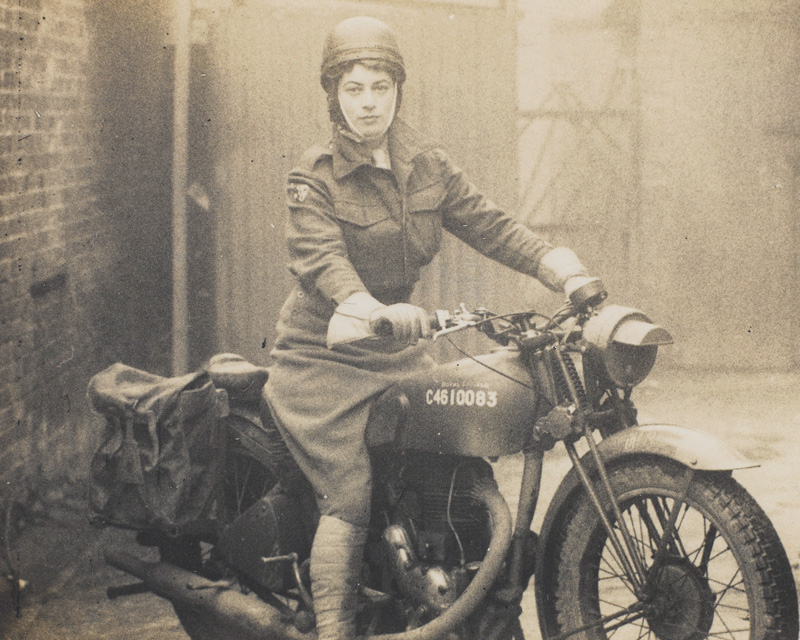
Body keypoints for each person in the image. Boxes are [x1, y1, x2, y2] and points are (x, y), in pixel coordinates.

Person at [263, 16, 600, 640]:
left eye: (380, 87)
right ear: (333, 94)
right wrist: (369, 306)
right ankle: (335, 630)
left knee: (459, 463)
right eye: (354, 88)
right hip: (324, 355)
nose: (368, 103)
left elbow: (490, 224)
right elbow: (323, 262)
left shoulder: (426, 165)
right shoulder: (312, 177)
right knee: (352, 491)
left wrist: (562, 267)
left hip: (398, 351)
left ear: (399, 89)